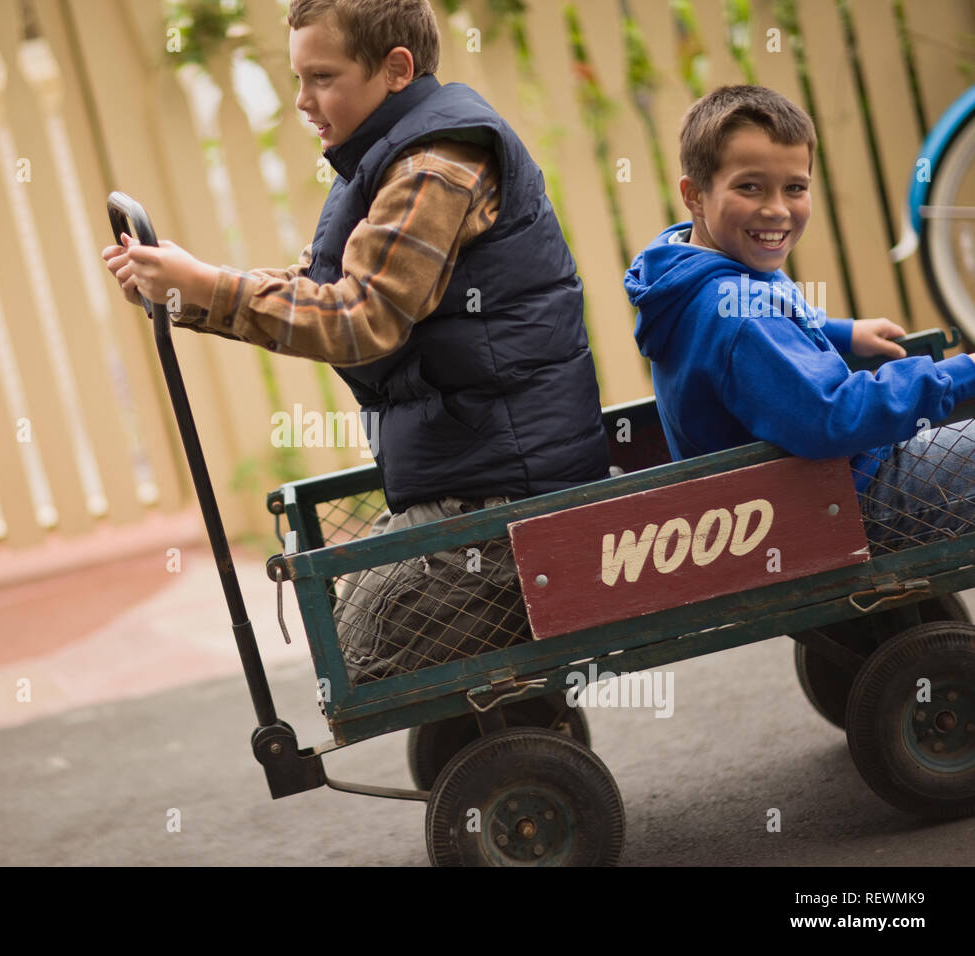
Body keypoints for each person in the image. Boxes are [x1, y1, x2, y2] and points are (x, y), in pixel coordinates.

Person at [104, 0, 608, 683]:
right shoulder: (395, 160)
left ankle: (519, 722)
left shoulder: (435, 167)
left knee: (357, 647)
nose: (303, 101)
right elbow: (326, 289)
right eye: (297, 79)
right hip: (475, 477)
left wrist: (208, 283)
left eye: (323, 77)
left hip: (508, 501)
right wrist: (190, 291)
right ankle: (509, 719)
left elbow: (360, 318)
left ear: (396, 69)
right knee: (354, 634)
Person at [624, 84, 975, 551]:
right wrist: (963, 373)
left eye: (795, 188)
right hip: (845, 500)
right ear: (695, 195)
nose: (776, 209)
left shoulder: (697, 270)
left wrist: (845, 332)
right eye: (749, 186)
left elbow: (780, 328)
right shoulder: (737, 316)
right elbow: (833, 416)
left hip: (807, 497)